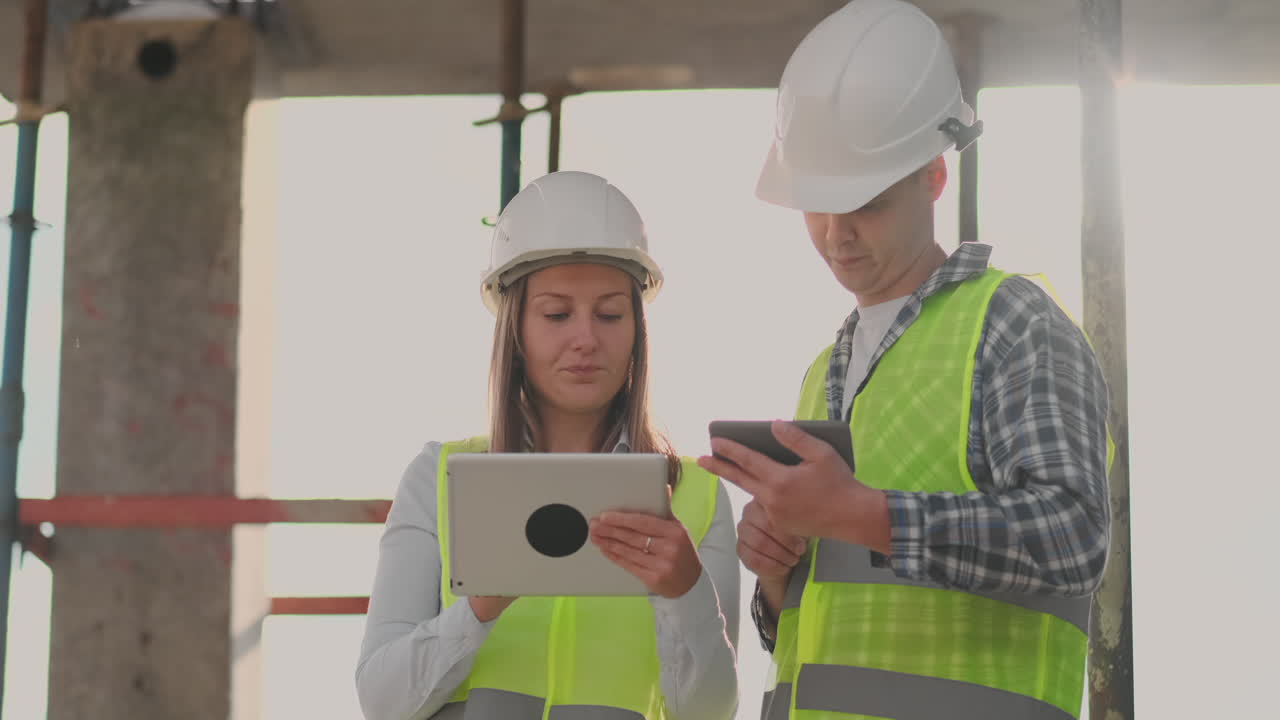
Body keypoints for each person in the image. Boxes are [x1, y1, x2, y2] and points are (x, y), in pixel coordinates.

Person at [696, 1, 1112, 719]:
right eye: (818, 206)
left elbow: (1072, 538)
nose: (837, 234)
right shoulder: (824, 370)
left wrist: (865, 514)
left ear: (934, 177)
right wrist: (777, 571)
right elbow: (818, 632)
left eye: (867, 203)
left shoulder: (1011, 323)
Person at [355, 170, 739, 720]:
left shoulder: (696, 495)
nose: (586, 338)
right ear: (515, 329)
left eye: (609, 314)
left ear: (637, 329)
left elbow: (712, 712)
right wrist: (480, 607)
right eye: (557, 314)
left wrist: (686, 594)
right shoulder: (438, 477)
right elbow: (381, 700)